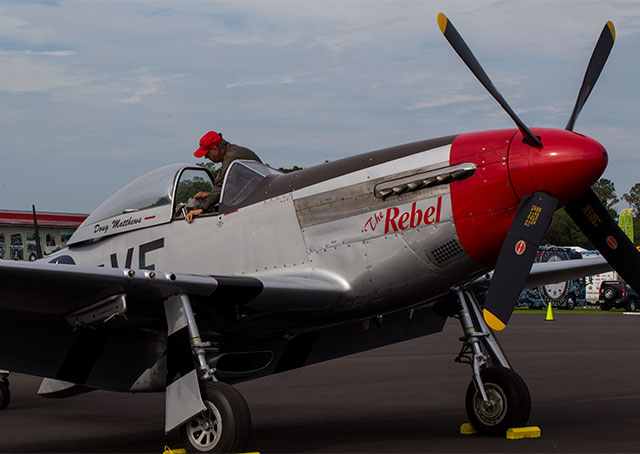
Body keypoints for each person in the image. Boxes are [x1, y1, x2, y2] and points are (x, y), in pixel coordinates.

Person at [186, 131, 262, 223]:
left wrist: (201, 209)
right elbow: (232, 188)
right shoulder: (234, 151)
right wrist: (208, 195)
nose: (206, 157)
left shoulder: (231, 158)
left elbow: (221, 185)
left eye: (206, 154)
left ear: (215, 149)